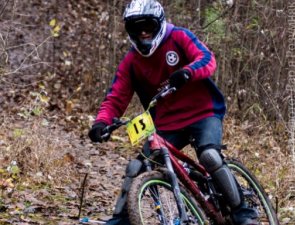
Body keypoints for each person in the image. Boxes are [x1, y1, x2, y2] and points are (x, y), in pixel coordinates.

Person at [88, 0, 258, 224]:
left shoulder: (178, 37)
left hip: (203, 113)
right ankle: (121, 219)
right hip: (167, 124)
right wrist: (101, 123)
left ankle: (242, 212)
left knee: (209, 156)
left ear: (159, 24)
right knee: (136, 167)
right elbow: (115, 98)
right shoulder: (131, 61)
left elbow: (207, 59)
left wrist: (188, 71)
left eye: (148, 26)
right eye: (137, 29)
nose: (144, 33)